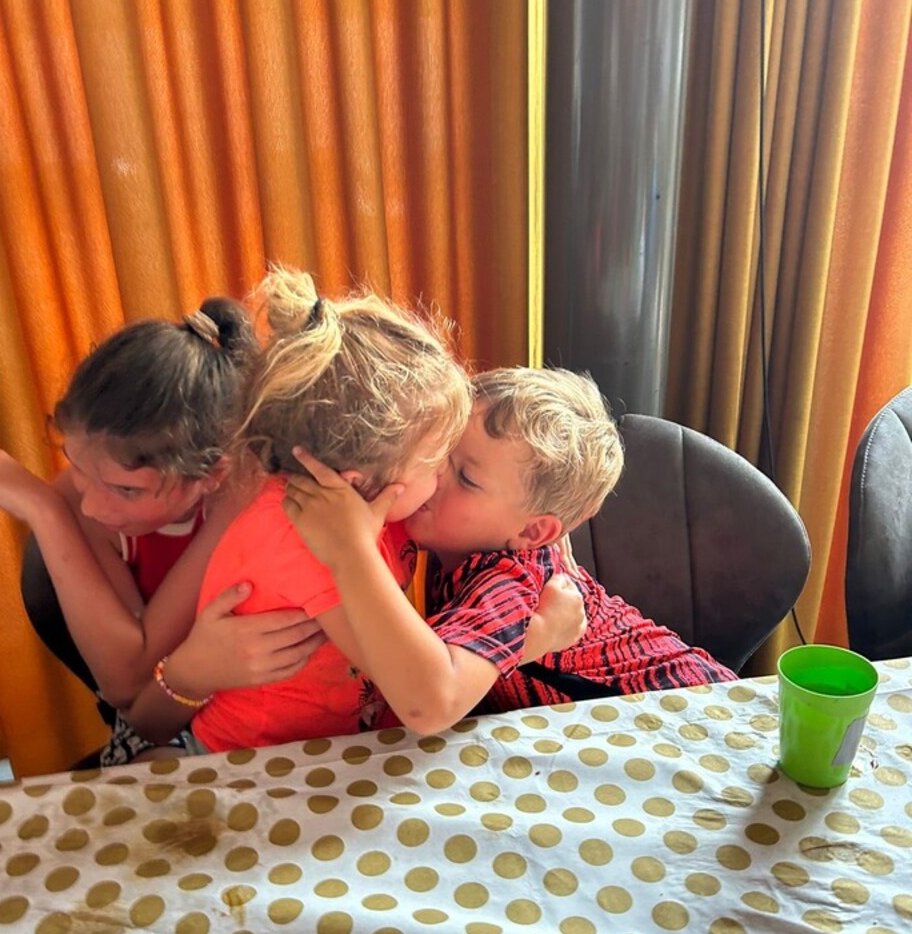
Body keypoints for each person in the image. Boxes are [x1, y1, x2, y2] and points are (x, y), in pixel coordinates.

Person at [125, 269, 585, 752]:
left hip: (339, 744)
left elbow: (482, 443)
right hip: (257, 760)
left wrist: (543, 523)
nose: (442, 480)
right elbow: (425, 698)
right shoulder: (310, 540)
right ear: (356, 484)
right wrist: (535, 636)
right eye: (438, 461)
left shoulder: (373, 489)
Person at [0, 300, 323, 764]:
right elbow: (124, 683)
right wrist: (47, 510)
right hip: (175, 723)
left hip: (283, 708)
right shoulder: (80, 506)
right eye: (77, 466)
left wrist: (226, 517)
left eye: (126, 490)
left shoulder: (251, 487)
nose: (93, 505)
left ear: (213, 474)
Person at [281, 365, 737, 734]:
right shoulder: (472, 528)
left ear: (533, 531)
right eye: (441, 449)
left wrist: (352, 549)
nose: (434, 473)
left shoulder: (507, 577)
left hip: (687, 717)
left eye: (466, 477)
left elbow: (430, 704)